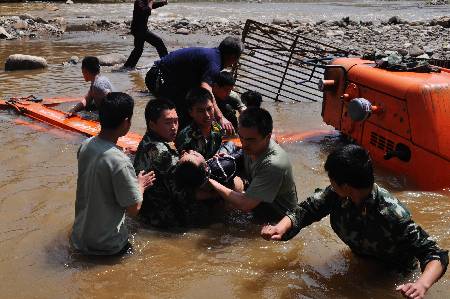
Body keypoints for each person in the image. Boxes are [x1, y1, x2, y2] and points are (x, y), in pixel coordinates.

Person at [261, 144, 449, 299]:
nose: (330, 185)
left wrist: (421, 285)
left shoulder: (391, 214)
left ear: (346, 186)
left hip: (394, 273)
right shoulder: (337, 195)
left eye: (332, 181)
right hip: (361, 257)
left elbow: (435, 254)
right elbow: (307, 209)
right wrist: (280, 227)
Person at [70, 92, 155, 256]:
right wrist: (141, 185)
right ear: (126, 122)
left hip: (79, 238)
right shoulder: (121, 162)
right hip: (107, 246)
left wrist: (117, 153)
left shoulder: (86, 145)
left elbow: (102, 167)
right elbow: (134, 208)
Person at [208, 107, 298, 222]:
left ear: (268, 137)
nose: (244, 144)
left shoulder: (273, 164)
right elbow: (233, 145)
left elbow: (245, 204)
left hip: (280, 221)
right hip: (261, 208)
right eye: (241, 137)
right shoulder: (253, 147)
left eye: (251, 140)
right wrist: (223, 154)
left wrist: (211, 181)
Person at [145, 36, 244, 131]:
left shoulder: (213, 56)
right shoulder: (214, 63)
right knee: (182, 113)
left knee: (192, 107)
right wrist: (220, 117)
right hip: (159, 78)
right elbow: (206, 89)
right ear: (233, 57)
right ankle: (167, 140)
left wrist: (239, 105)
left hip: (167, 77)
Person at [175, 87, 223, 160]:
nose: (207, 115)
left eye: (209, 109)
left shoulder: (217, 127)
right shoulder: (185, 138)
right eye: (201, 111)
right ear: (191, 112)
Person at [123, 0, 169, 69]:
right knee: (158, 42)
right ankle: (167, 63)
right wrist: (150, 2)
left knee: (138, 49)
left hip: (140, 29)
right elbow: (147, 11)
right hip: (140, 30)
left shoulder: (144, 1)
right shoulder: (139, 1)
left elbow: (152, 5)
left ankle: (128, 66)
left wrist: (163, 3)